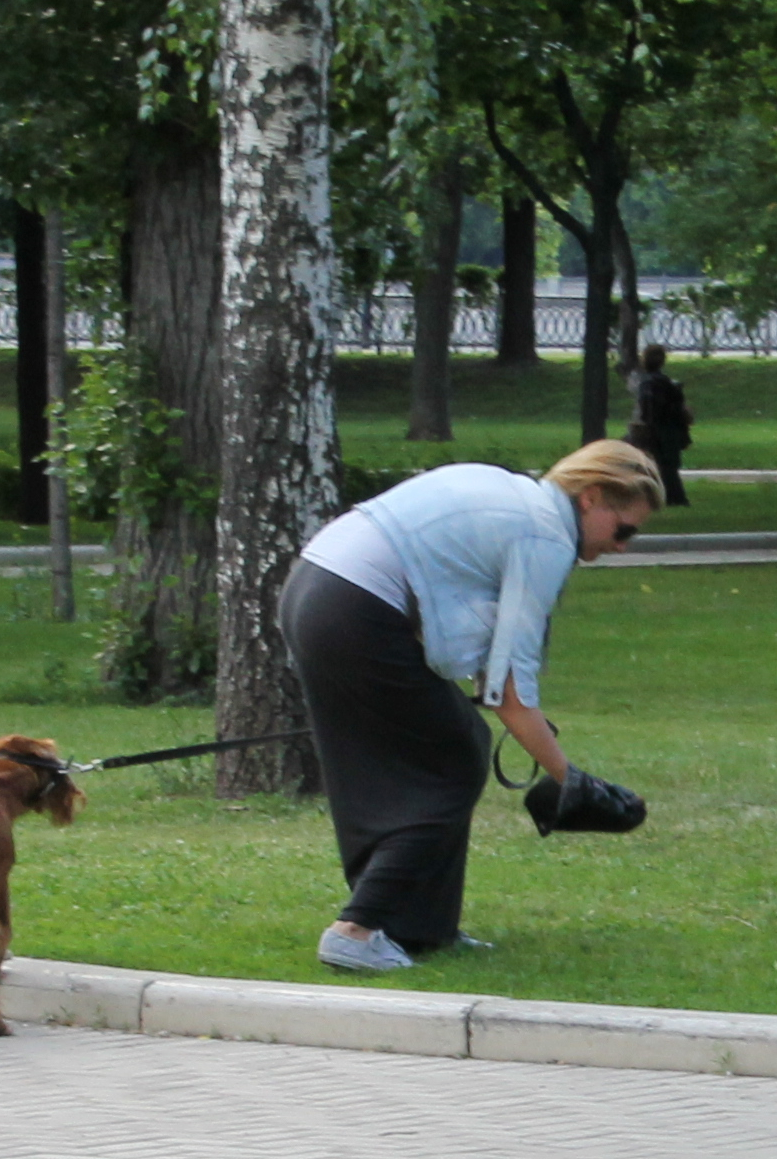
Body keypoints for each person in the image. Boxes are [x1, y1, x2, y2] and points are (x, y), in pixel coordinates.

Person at [279, 441, 663, 972]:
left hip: (314, 587)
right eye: (624, 530)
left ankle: (421, 930)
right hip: (353, 606)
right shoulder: (545, 534)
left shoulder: (518, 499)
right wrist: (574, 782)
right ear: (591, 498)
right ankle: (356, 930)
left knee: (440, 747)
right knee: (456, 761)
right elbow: (510, 687)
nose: (623, 547)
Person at [625, 344, 692, 506]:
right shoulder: (669, 384)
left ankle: (665, 498)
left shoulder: (647, 384)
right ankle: (674, 499)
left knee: (650, 465)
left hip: (653, 432)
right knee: (668, 469)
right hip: (669, 431)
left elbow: (647, 412)